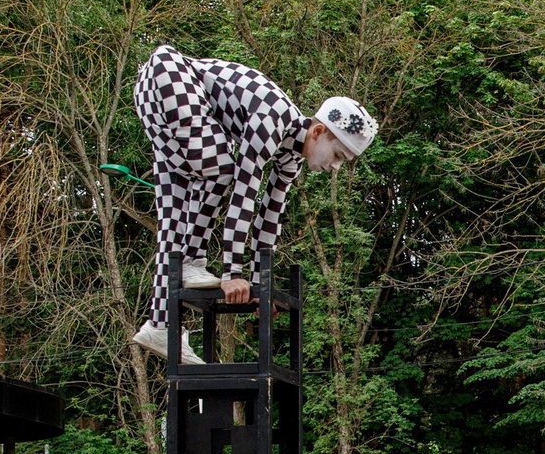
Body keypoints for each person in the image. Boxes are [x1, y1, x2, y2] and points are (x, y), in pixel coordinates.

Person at [129, 43, 373, 361]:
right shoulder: (273, 119)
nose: (335, 167)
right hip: (167, 72)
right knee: (220, 168)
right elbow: (245, 193)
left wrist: (260, 286)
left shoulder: (290, 156)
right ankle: (191, 262)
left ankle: (159, 323)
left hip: (163, 94)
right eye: (338, 155)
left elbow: (269, 216)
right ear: (318, 130)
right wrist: (231, 273)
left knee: (174, 212)